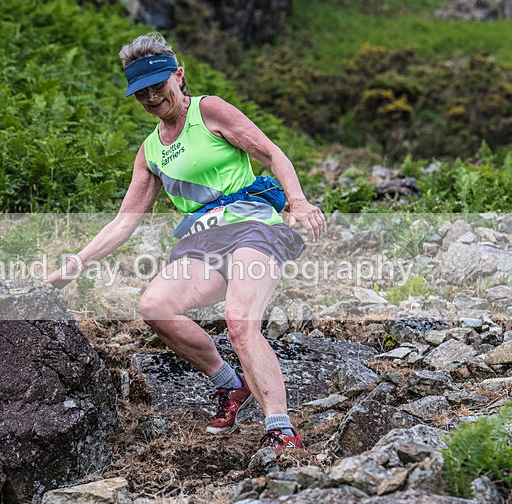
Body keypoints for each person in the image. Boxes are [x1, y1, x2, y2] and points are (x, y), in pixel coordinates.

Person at [46, 32, 326, 452]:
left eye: (158, 85)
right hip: (203, 240)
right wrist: (74, 265)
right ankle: (231, 386)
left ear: (178, 75)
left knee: (239, 322)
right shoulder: (150, 152)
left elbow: (271, 153)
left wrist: (299, 202)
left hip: (253, 227)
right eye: (141, 92)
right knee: (154, 306)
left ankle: (280, 428)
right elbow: (124, 222)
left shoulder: (208, 110)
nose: (151, 96)